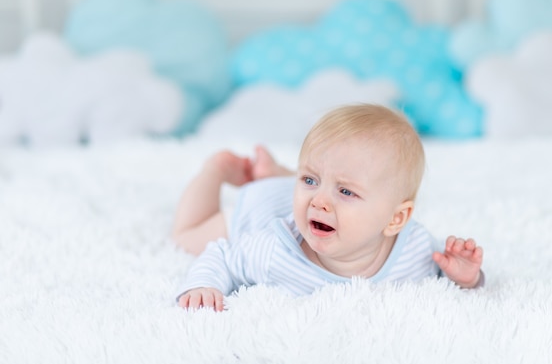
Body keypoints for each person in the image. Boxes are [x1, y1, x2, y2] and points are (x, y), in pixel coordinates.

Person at [173, 104, 484, 311]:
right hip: (263, 206)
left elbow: (449, 278)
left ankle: (283, 173)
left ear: (396, 219)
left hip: (288, 193)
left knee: (321, 181)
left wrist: (467, 277)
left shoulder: (414, 249)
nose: (320, 200)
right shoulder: (274, 248)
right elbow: (221, 255)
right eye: (308, 178)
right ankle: (217, 170)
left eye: (346, 191)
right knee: (187, 236)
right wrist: (203, 284)